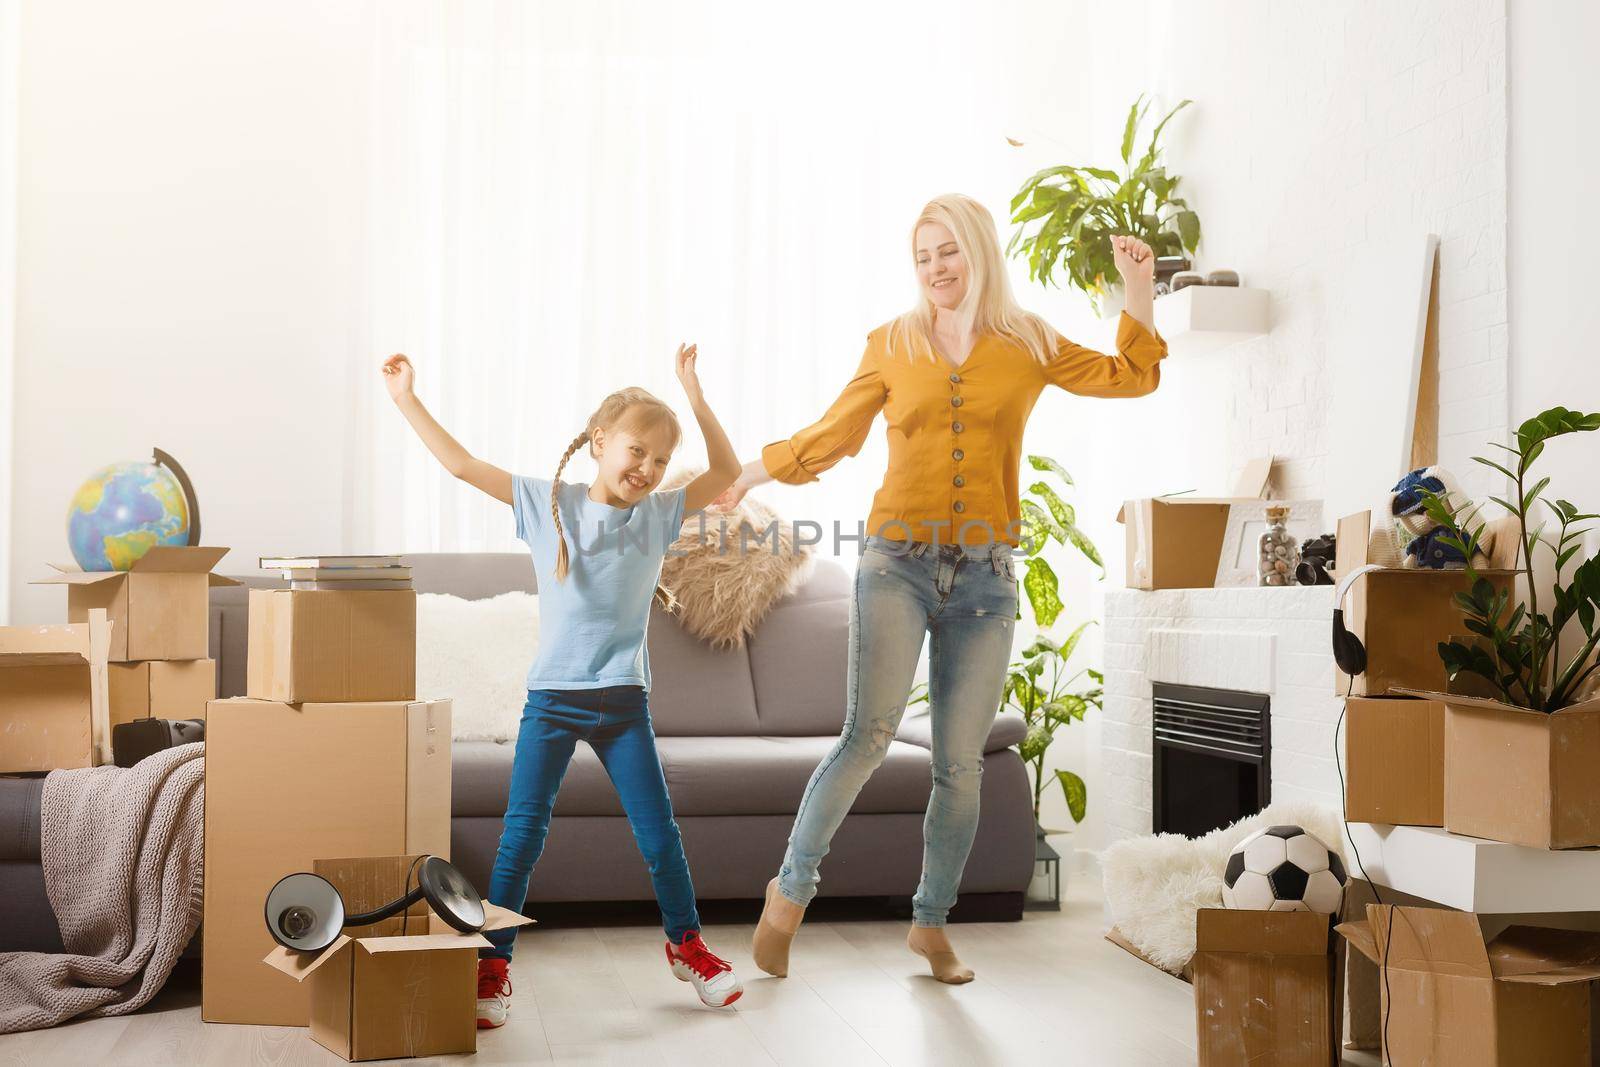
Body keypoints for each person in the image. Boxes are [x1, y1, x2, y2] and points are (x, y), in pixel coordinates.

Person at [714, 194, 1166, 984]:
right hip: (896, 563)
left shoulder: (1027, 340)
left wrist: (1139, 290)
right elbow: (833, 436)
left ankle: (931, 924)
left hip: (987, 578)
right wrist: (745, 475)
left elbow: (1129, 377)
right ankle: (788, 894)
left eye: (947, 251)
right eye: (922, 256)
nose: (935, 269)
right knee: (868, 736)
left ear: (979, 252)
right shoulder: (890, 343)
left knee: (961, 765)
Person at [382, 344, 746, 1023]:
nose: (648, 469)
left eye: (662, 460)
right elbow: (461, 465)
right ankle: (493, 964)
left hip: (624, 705)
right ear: (600, 442)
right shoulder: (548, 503)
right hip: (552, 702)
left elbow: (726, 469)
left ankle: (685, 943)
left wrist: (693, 391)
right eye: (637, 451)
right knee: (522, 836)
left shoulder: (659, 515)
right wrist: (406, 400)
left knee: (659, 835)